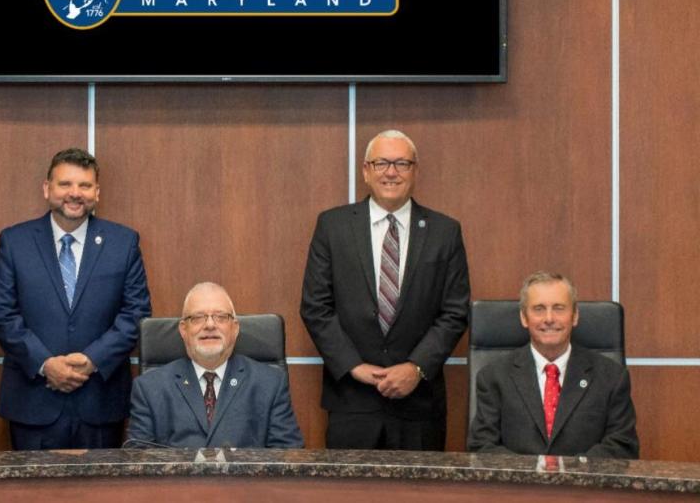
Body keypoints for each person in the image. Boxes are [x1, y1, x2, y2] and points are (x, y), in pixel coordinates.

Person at [300, 129, 470, 450]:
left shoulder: (445, 232)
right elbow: (315, 307)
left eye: (402, 163)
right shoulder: (332, 226)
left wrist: (416, 368)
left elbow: (455, 312)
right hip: (352, 401)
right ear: (366, 171)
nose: (391, 172)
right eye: (381, 163)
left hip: (419, 404)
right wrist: (354, 367)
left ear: (415, 171)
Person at [0, 148, 152, 449]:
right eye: (65, 184)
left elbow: (136, 313)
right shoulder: (14, 242)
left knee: (100, 496)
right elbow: (2, 314)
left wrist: (92, 360)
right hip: (32, 401)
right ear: (47, 188)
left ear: (97, 192)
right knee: (33, 496)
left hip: (100, 402)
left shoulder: (123, 243)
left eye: (85, 186)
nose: (75, 193)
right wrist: (45, 363)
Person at [467, 271, 639, 458]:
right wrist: (532, 473)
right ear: (524, 318)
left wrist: (568, 471)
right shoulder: (493, 376)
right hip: (518, 486)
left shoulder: (611, 377)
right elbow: (482, 447)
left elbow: (623, 446)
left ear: (574, 316)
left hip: (584, 485)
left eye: (558, 308)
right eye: (539, 309)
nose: (549, 318)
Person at [127, 282, 303, 448]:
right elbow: (139, 465)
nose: (210, 325)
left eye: (220, 317)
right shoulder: (149, 388)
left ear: (235, 328)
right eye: (197, 318)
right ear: (183, 330)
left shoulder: (270, 384)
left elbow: (289, 459)